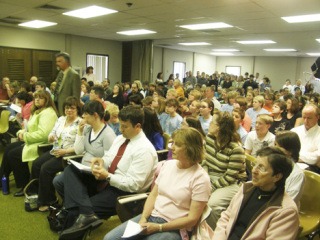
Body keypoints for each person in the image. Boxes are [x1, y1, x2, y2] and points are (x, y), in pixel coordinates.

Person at [54, 105, 158, 239]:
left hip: (123, 193)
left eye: (125, 126)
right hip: (108, 180)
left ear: (137, 126)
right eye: (120, 125)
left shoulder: (144, 150)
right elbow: (109, 157)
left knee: (75, 208)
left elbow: (134, 185)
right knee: (70, 170)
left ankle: (81, 214)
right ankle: (86, 213)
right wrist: (101, 161)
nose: (120, 130)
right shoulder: (121, 138)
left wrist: (108, 176)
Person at [104, 128, 211, 240]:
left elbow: (192, 219)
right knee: (109, 238)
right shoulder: (168, 165)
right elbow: (153, 195)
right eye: (172, 143)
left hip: (175, 227)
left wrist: (159, 227)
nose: (171, 147)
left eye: (178, 145)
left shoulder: (201, 179)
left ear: (191, 149)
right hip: (153, 216)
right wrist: (144, 218)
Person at [213, 147, 299, 240]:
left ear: (277, 177)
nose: (254, 170)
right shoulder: (246, 188)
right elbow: (226, 217)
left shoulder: (286, 211)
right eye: (255, 164)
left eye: (261, 168)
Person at [0, 90, 58, 196]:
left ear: (47, 100)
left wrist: (25, 136)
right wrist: (20, 132)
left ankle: (25, 185)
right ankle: (2, 177)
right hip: (32, 141)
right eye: (35, 97)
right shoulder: (37, 111)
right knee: (9, 148)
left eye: (40, 98)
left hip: (42, 144)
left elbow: (44, 135)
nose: (37, 99)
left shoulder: (48, 113)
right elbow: (29, 129)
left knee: (14, 154)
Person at [30, 97, 82, 211]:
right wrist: (51, 137)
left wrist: (65, 151)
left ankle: (48, 201)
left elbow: (80, 148)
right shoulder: (61, 119)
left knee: (45, 169)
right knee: (36, 164)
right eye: (67, 108)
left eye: (72, 108)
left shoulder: (80, 124)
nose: (69, 110)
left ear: (77, 109)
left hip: (68, 155)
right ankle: (36, 194)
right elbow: (52, 133)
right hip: (55, 150)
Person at [202, 110, 247, 229]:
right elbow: (205, 161)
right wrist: (204, 176)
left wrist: (210, 187)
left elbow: (230, 177)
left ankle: (216, 232)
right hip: (211, 175)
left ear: (220, 127)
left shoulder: (235, 148)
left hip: (232, 183)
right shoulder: (210, 138)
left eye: (212, 122)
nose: (209, 124)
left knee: (212, 204)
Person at [275, 131, 305, 206]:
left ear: (290, 151)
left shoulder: (297, 174)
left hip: (283, 212)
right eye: (274, 144)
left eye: (279, 146)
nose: (274, 149)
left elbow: (289, 202)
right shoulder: (272, 165)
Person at [291, 103, 320, 173]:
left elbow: (316, 158)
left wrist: (295, 156)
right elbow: (286, 152)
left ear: (317, 117)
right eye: (304, 117)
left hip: (311, 169)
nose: (306, 121)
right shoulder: (294, 131)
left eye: (309, 118)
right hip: (291, 166)